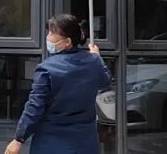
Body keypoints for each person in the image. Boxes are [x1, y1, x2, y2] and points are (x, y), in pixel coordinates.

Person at [6, 14, 112, 154]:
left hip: (52, 142)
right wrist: (97, 57)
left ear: (67, 42)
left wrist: (18, 139)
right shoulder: (93, 61)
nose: (48, 37)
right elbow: (105, 81)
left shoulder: (46, 69)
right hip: (85, 143)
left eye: (52, 33)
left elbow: (35, 107)